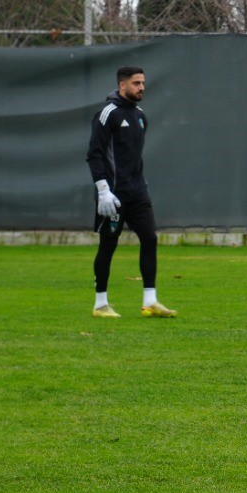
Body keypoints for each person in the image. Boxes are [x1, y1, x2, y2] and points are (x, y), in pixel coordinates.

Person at [86, 65, 176, 319]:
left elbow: (132, 158)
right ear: (122, 85)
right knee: (108, 245)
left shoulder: (140, 115)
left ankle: (150, 301)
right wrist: (103, 189)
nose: (142, 88)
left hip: (138, 194)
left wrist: (139, 184)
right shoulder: (107, 114)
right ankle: (100, 304)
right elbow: (95, 154)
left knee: (150, 239)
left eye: (143, 83)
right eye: (136, 83)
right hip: (112, 196)